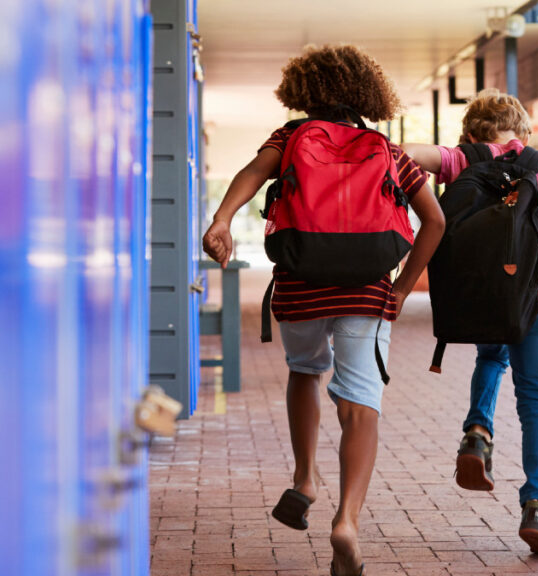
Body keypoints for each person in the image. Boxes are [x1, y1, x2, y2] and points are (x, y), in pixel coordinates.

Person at [201, 44, 444, 576]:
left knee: (305, 372)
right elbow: (436, 221)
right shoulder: (385, 147)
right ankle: (347, 522)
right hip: (365, 291)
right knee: (359, 404)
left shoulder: (290, 137)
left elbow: (250, 174)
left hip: (300, 285)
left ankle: (305, 476)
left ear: (302, 92)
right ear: (367, 93)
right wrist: (402, 288)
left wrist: (221, 220)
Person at [402, 88, 538, 556]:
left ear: (471, 131)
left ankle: (477, 433)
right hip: (526, 301)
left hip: (476, 297)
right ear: (525, 129)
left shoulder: (462, 158)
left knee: (491, 354)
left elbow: (404, 155)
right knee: (536, 399)